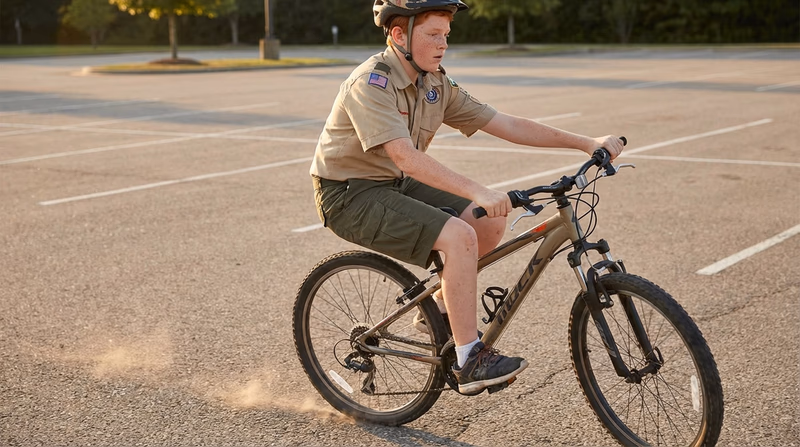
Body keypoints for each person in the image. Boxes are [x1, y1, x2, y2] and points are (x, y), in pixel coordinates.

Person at [309, 0, 625, 395]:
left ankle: (436, 311)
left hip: (392, 182)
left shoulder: (434, 82)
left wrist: (586, 142)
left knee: (489, 220)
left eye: (446, 35)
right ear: (398, 35)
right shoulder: (371, 83)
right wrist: (477, 189)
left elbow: (505, 123)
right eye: (432, 35)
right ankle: (469, 358)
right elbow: (406, 158)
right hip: (349, 194)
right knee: (459, 236)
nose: (443, 44)